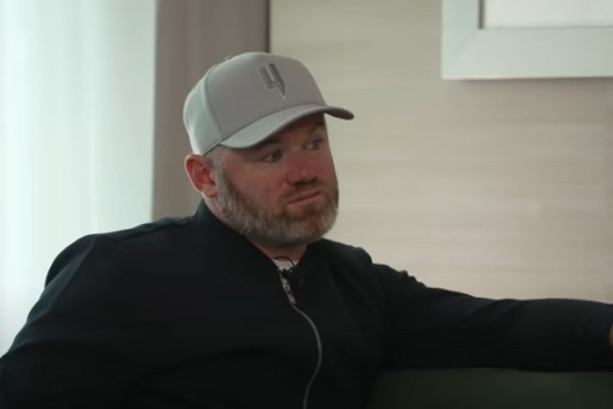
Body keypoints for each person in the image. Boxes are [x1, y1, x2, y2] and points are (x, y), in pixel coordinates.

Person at [1, 52, 612, 409]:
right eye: (271, 154)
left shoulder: (352, 281)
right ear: (204, 176)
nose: (305, 171)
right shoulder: (119, 274)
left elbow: (495, 327)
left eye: (314, 142)